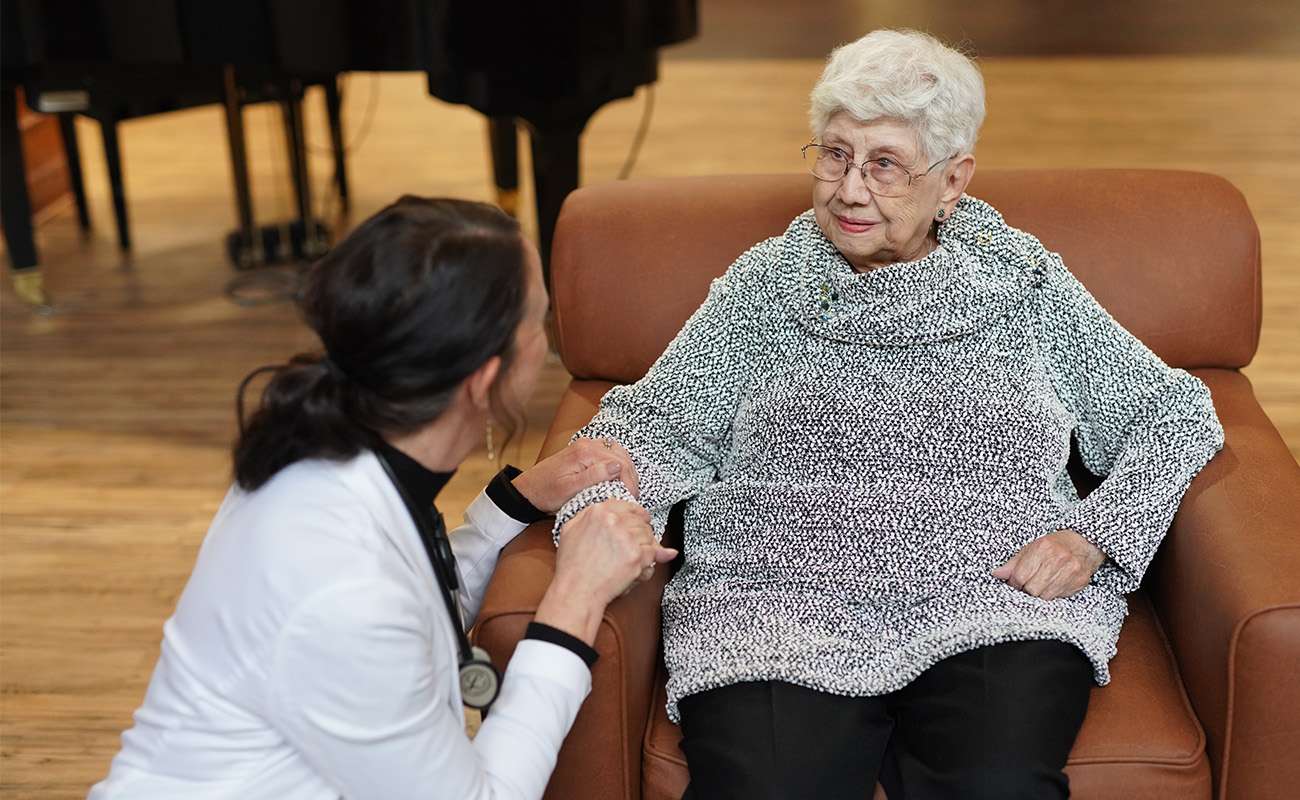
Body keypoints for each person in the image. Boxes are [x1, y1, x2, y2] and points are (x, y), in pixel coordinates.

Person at [550, 29, 1224, 799]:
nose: (849, 189)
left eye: (885, 165)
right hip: (777, 603)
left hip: (991, 597)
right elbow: (652, 425)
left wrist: (1096, 537)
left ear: (953, 180)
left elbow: (1175, 414)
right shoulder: (766, 286)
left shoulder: (1021, 283)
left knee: (995, 786)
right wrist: (607, 507)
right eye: (835, 154)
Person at [87, 196, 677, 800]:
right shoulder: (342, 587)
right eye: (538, 323)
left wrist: (515, 503)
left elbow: (415, 608)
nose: (548, 338)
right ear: (483, 379)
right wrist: (576, 596)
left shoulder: (330, 444)